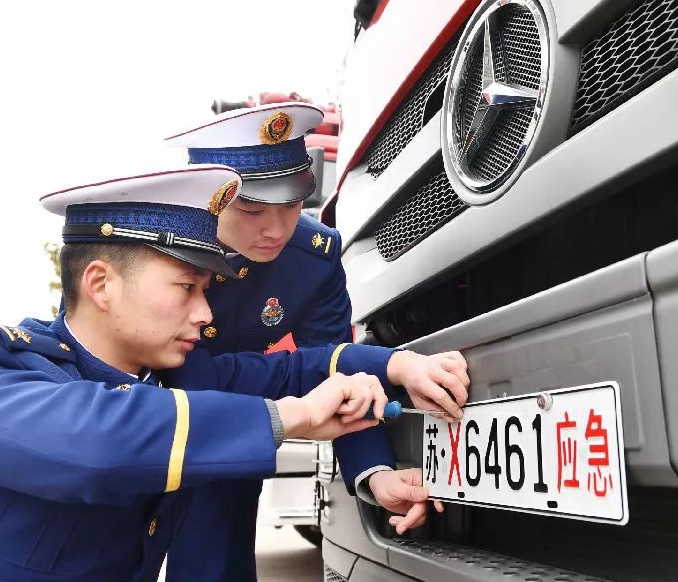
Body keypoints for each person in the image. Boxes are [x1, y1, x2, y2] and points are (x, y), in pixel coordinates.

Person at [0, 165, 453, 582]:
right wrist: (288, 418)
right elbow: (99, 438)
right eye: (186, 288)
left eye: (206, 290)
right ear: (101, 284)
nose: (206, 315)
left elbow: (306, 366)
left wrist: (397, 364)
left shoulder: (170, 381)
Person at [162, 103, 469, 582]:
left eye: (291, 203)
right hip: (141, 424)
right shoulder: (154, 246)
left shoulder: (311, 258)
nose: (277, 229)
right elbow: (200, 378)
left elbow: (349, 384)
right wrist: (386, 364)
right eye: (252, 208)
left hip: (229, 442)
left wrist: (376, 474)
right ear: (208, 195)